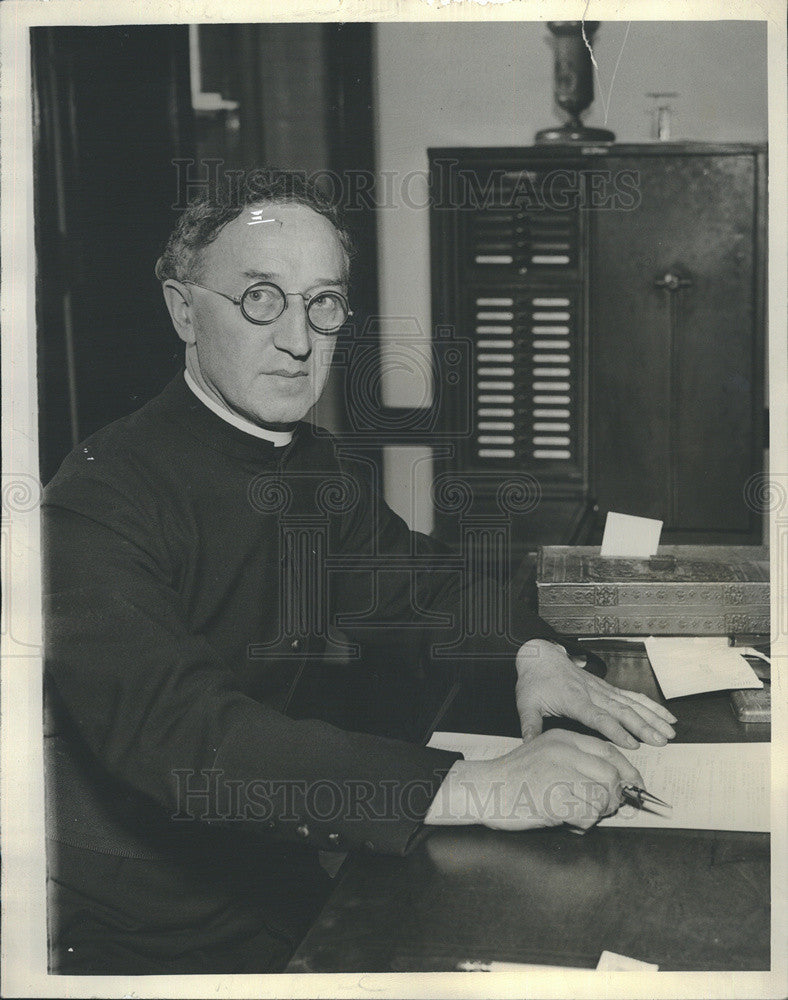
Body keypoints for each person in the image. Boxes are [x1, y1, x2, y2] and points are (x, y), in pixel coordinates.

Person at [42, 168, 677, 975]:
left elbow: (421, 580)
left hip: (282, 874)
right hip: (144, 925)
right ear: (182, 311)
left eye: (325, 302)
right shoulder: (96, 499)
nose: (301, 339)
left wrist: (532, 653)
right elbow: (185, 741)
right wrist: (477, 788)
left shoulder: (316, 469)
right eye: (262, 297)